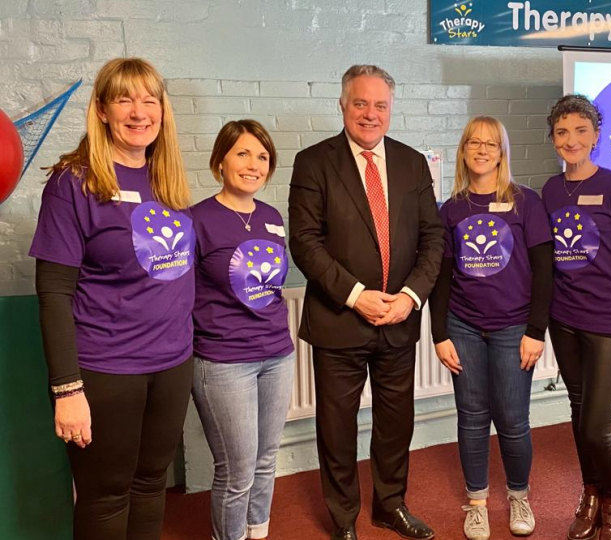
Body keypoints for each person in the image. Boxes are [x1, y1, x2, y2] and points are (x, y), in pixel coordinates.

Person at [29, 57, 193, 540]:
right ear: (101, 110)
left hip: (172, 364)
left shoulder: (167, 181)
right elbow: (54, 292)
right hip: (106, 369)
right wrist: (66, 390)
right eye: (124, 98)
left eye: (149, 99)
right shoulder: (73, 183)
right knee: (105, 497)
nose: (139, 111)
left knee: (150, 486)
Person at [288, 64, 444, 540]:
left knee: (396, 422)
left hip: (398, 320)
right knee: (336, 429)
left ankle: (389, 505)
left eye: (380, 105)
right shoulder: (313, 162)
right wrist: (356, 296)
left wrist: (412, 296)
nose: (370, 114)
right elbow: (304, 241)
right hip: (340, 320)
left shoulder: (413, 162)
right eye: (360, 103)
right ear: (342, 104)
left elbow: (432, 237)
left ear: (391, 110)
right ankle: (342, 519)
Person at [429, 116, 553, 540]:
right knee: (472, 417)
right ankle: (477, 502)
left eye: (491, 144)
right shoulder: (452, 210)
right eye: (474, 143)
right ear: (464, 150)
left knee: (514, 419)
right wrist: (439, 334)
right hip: (462, 327)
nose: (482, 150)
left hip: (513, 328)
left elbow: (543, 272)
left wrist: (537, 331)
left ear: (502, 152)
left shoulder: (526, 202)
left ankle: (518, 495)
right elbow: (441, 276)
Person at [542, 94, 611, 540]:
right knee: (577, 411)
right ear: (553, 139)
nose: (572, 140)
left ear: (596, 136)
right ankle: (591, 494)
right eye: (563, 132)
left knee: (596, 427)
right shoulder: (550, 190)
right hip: (564, 319)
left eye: (581, 131)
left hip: (608, 324)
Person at [190, 120, 295, 540]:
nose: (253, 164)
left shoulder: (271, 217)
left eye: (263, 157)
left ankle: (258, 533)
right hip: (222, 361)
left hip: (277, 353)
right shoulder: (196, 219)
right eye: (243, 153)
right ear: (220, 161)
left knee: (267, 458)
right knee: (236, 469)